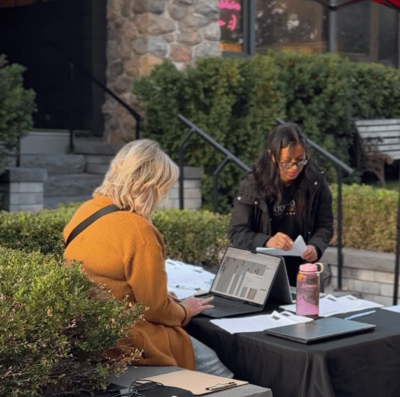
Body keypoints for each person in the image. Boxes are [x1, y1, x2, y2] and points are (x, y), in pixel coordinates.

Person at [62, 139, 231, 376]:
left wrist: (159, 298)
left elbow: (109, 278)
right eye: (164, 188)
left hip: (87, 330)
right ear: (150, 187)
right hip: (125, 338)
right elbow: (155, 311)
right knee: (216, 367)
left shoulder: (87, 211)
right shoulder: (138, 231)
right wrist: (185, 310)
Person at [228, 122, 334, 274]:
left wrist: (315, 246)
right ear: (272, 156)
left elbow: (325, 225)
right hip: (259, 271)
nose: (294, 168)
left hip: (301, 271)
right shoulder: (253, 185)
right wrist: (267, 241)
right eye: (286, 162)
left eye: (300, 160)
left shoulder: (315, 182)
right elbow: (236, 232)